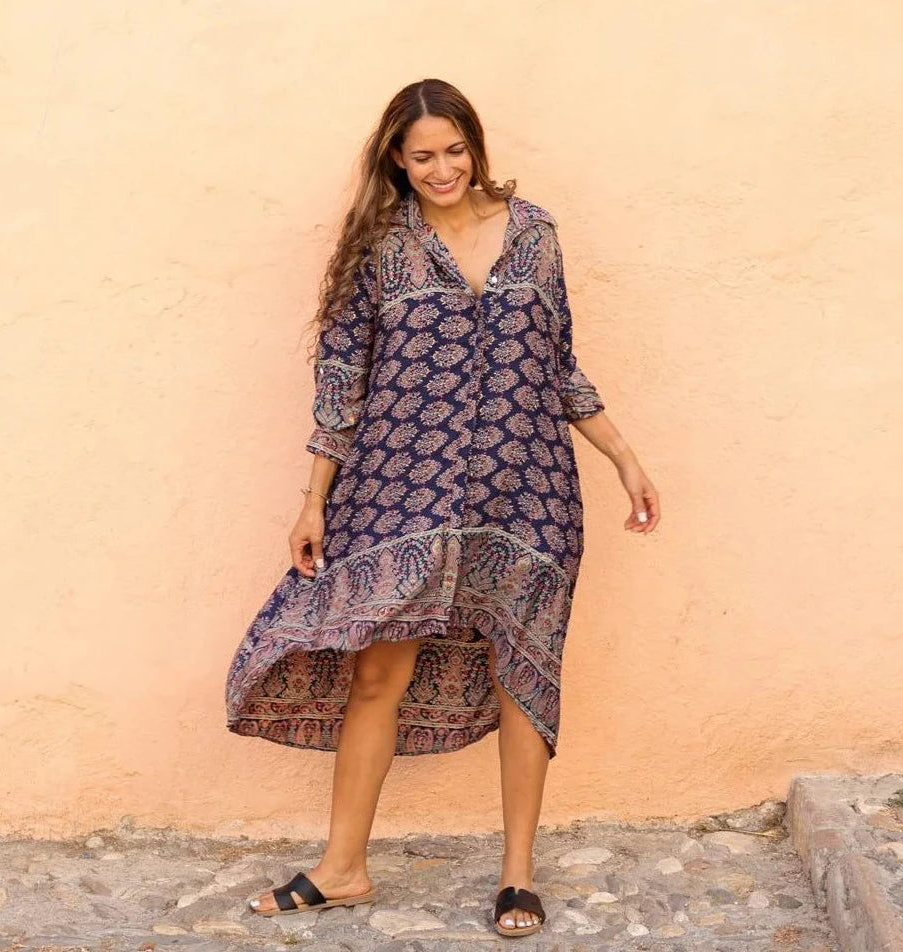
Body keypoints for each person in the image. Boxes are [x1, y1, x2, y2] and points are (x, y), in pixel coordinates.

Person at [225, 77, 660, 938]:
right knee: (379, 671)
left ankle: (516, 879)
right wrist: (313, 501)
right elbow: (341, 387)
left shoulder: (535, 234)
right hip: (397, 491)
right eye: (422, 155)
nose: (442, 168)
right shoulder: (379, 248)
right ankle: (342, 868)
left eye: (454, 150)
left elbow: (560, 364)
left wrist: (625, 458)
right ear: (396, 158)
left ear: (475, 146)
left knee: (522, 671)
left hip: (525, 490)